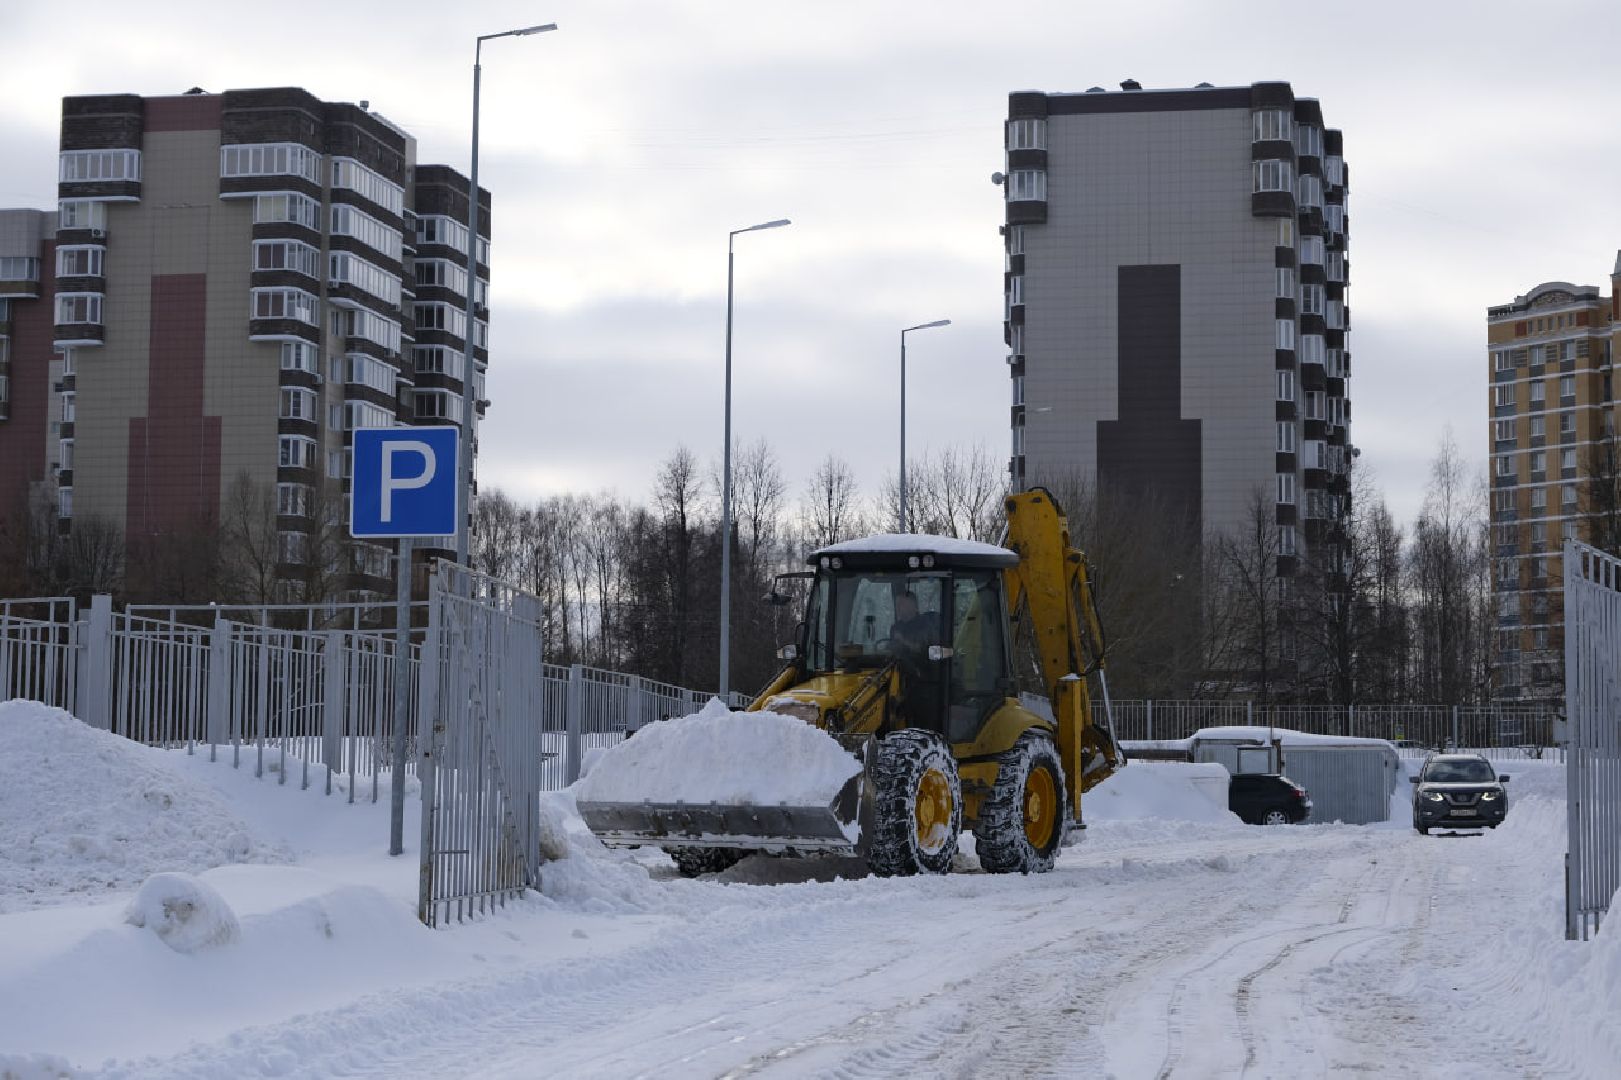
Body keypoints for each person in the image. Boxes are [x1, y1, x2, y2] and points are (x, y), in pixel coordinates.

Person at [888, 591, 936, 659]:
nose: (897, 608)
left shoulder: (925, 625)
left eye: (901, 604)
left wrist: (903, 641)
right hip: (897, 666)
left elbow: (924, 650)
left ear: (913, 605)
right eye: (896, 605)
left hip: (921, 666)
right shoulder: (895, 627)